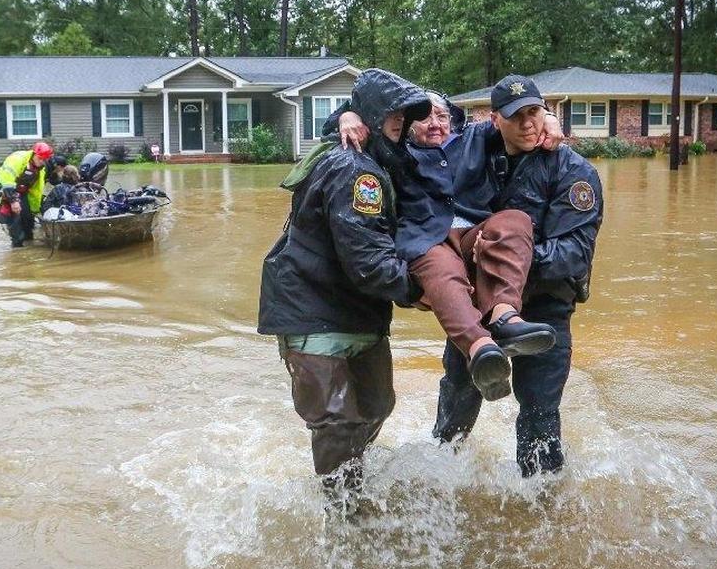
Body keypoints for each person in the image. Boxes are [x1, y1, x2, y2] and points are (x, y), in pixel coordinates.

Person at [258, 68, 430, 512]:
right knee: (337, 422)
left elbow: (457, 134)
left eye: (406, 115)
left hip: (358, 314)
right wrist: (421, 290)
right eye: (394, 113)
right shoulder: (357, 172)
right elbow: (368, 262)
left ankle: (349, 485)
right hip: (312, 310)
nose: (402, 122)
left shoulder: (385, 157)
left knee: (376, 406)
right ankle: (344, 521)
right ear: (372, 116)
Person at [327, 93, 563, 401]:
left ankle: (505, 317)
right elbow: (350, 123)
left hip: (473, 234)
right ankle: (481, 348)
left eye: (442, 116)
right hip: (427, 238)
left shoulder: (474, 138)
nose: (436, 124)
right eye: (426, 117)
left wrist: (550, 118)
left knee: (515, 221)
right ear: (408, 123)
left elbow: (513, 119)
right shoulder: (395, 150)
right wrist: (346, 116)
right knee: (441, 266)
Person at [433, 75, 603, 477]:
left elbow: (575, 254)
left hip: (545, 311)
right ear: (495, 120)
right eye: (516, 116)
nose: (528, 124)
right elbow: (417, 123)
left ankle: (540, 505)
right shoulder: (472, 148)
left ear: (547, 112)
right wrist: (347, 117)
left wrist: (498, 257)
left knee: (540, 413)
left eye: (535, 112)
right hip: (478, 312)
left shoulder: (573, 172)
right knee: (456, 399)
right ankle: (441, 479)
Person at [0, 141, 53, 247]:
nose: (42, 162)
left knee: (28, 221)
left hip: (21, 192)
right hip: (4, 192)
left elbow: (36, 192)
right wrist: (13, 201)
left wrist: (34, 210)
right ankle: (17, 248)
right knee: (15, 224)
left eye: (44, 159)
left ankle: (28, 243)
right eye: (40, 158)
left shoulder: (40, 170)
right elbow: (7, 182)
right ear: (34, 154)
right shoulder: (17, 160)